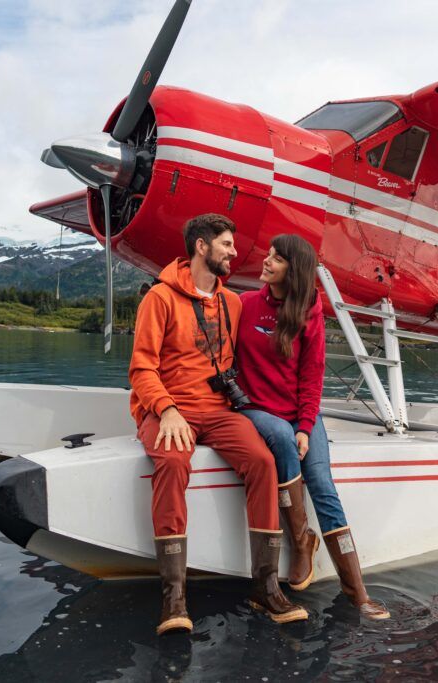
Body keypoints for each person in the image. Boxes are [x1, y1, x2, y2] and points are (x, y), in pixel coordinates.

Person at [129, 214, 308, 635]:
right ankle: (174, 597)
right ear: (202, 247)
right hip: (168, 408)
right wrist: (166, 409)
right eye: (227, 244)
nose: (234, 252)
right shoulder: (159, 298)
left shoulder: (232, 302)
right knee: (173, 463)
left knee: (263, 462)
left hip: (218, 411)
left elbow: (273, 321)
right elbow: (141, 368)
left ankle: (265, 587)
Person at [237, 233, 390, 620]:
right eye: (268, 254)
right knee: (280, 436)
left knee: (322, 483)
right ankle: (301, 539)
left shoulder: (309, 311)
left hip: (298, 412)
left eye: (277, 259)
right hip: (256, 408)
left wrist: (306, 425)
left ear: (294, 269)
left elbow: (312, 374)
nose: (266, 261)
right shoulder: (243, 304)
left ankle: (358, 594)